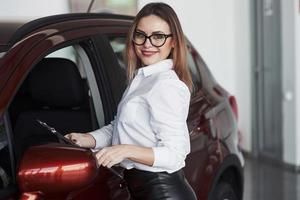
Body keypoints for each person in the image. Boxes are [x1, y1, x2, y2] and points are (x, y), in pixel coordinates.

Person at [65, 2, 197, 200]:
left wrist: (125, 151)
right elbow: (120, 127)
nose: (147, 44)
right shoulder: (142, 78)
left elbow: (175, 154)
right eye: (140, 35)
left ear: (173, 42)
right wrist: (87, 139)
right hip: (142, 190)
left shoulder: (166, 85)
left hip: (163, 193)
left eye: (158, 36)